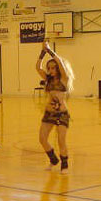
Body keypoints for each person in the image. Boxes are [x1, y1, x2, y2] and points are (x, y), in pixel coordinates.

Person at [36, 40, 74, 174]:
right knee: (42, 138)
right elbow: (37, 67)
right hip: (49, 113)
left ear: (57, 68)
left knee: (61, 140)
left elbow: (60, 62)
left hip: (62, 114)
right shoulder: (47, 80)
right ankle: (53, 159)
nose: (51, 70)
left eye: (53, 68)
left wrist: (49, 50)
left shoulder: (64, 79)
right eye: (49, 68)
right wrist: (42, 52)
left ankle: (64, 164)